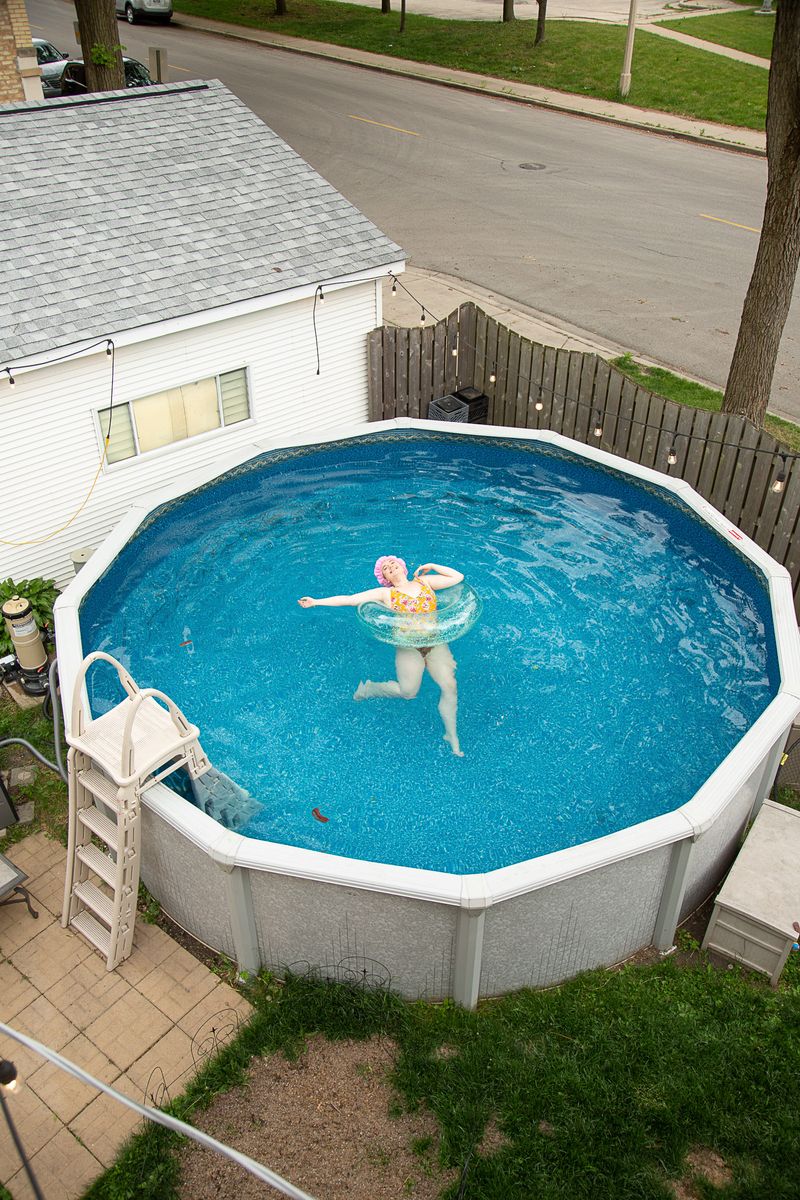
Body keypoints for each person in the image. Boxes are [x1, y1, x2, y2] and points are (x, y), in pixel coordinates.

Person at [298, 556, 466, 756]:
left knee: (450, 687)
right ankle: (371, 688)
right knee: (408, 693)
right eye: (386, 568)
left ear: (403, 568)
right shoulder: (386, 593)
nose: (391, 566)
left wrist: (432, 566)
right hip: (408, 645)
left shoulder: (425, 582)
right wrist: (316, 602)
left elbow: (458, 576)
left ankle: (451, 734)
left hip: (435, 642)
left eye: (394, 563)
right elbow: (351, 599)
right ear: (384, 577)